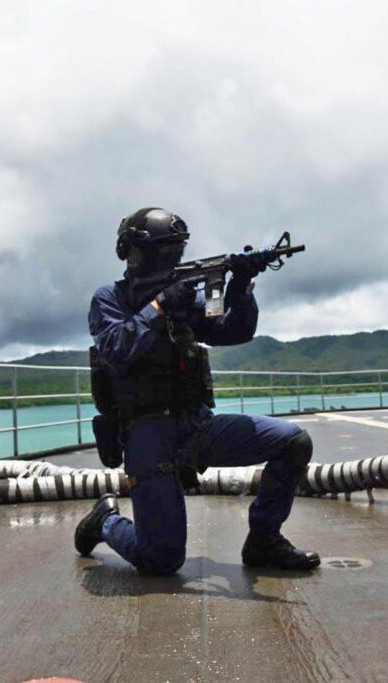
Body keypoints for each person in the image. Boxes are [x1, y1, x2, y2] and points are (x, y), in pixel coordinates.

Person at [74, 207, 319, 575]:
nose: (171, 259)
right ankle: (107, 521)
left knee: (293, 442)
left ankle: (263, 541)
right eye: (164, 251)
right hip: (146, 436)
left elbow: (235, 331)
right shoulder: (109, 299)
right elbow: (116, 349)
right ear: (135, 252)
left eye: (176, 252)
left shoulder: (182, 299)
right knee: (162, 561)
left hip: (196, 426)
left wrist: (241, 287)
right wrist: (159, 306)